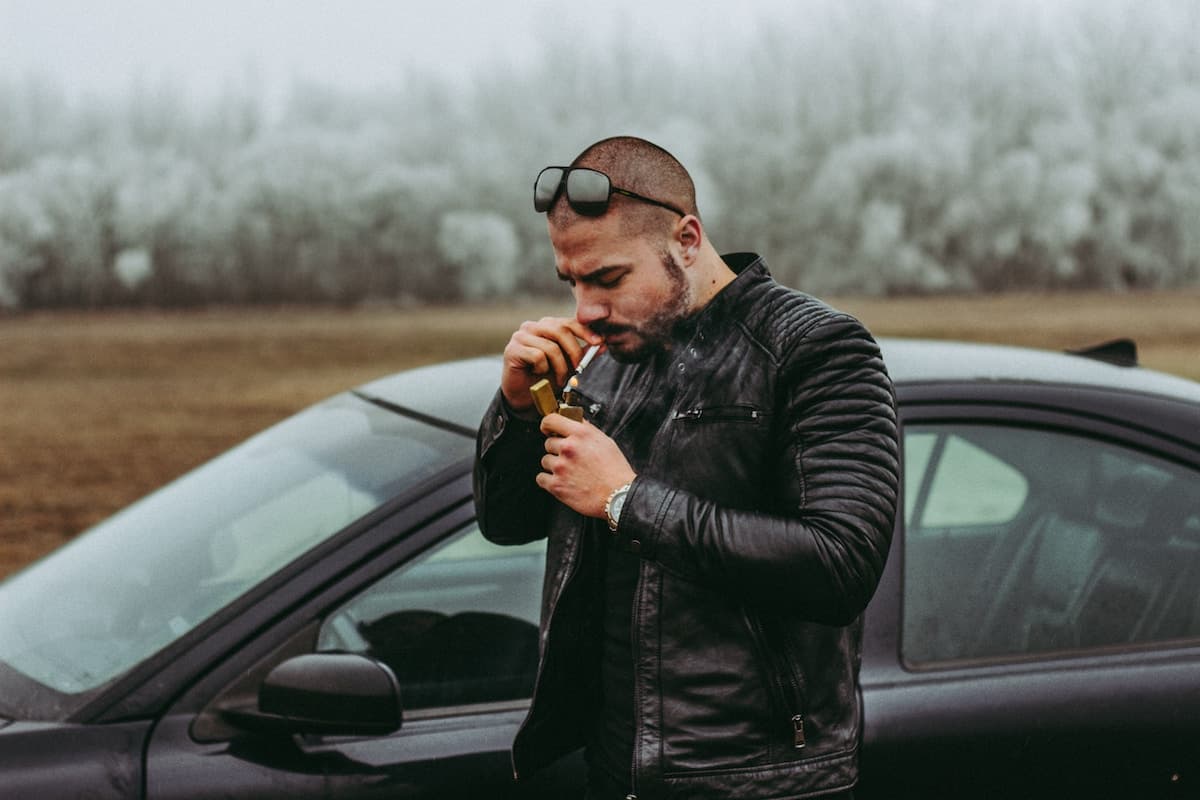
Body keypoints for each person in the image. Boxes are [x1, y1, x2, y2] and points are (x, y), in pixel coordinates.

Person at [473, 136, 900, 800]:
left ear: (688, 239)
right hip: (616, 769)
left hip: (752, 780)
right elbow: (507, 521)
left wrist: (624, 499)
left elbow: (839, 564)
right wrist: (518, 408)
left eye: (608, 278)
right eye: (572, 282)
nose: (585, 308)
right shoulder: (610, 355)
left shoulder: (815, 350)